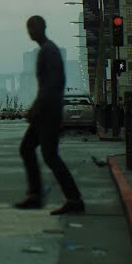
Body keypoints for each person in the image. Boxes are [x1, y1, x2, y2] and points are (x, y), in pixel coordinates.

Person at [15, 15, 84, 216]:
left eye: (33, 27)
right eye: (28, 27)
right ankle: (35, 196)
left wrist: (36, 107)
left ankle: (74, 199)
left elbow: (52, 84)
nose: (30, 31)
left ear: (42, 28)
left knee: (49, 156)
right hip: (45, 112)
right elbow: (48, 85)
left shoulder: (49, 51)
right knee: (28, 149)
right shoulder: (46, 50)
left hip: (49, 113)